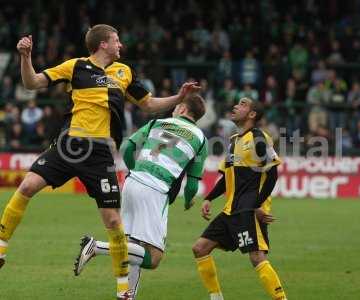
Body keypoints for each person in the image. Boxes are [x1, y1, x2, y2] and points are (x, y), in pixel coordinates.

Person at [0, 24, 200, 300]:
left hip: (100, 154)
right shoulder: (75, 66)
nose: (121, 45)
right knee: (26, 187)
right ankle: (0, 247)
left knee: (113, 222)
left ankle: (122, 292)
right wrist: (25, 57)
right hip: (70, 145)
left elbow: (149, 104)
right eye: (116, 40)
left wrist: (180, 97)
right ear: (103, 44)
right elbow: (32, 82)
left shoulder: (124, 72)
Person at [73, 94, 208, 299]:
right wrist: (189, 201)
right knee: (153, 257)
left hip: (132, 183)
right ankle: (96, 247)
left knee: (134, 246)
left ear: (182, 109)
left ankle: (126, 296)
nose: (173, 109)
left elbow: (128, 147)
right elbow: (192, 183)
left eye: (176, 107)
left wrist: (136, 170)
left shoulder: (157, 122)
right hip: (156, 190)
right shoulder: (200, 138)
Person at [192, 97, 287, 300]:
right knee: (200, 248)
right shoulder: (234, 140)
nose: (235, 105)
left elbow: (272, 174)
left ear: (252, 114)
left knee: (256, 257)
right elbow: (227, 178)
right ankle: (216, 298)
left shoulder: (259, 138)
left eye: (243, 104)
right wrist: (209, 198)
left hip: (248, 209)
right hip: (230, 210)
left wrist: (257, 205)